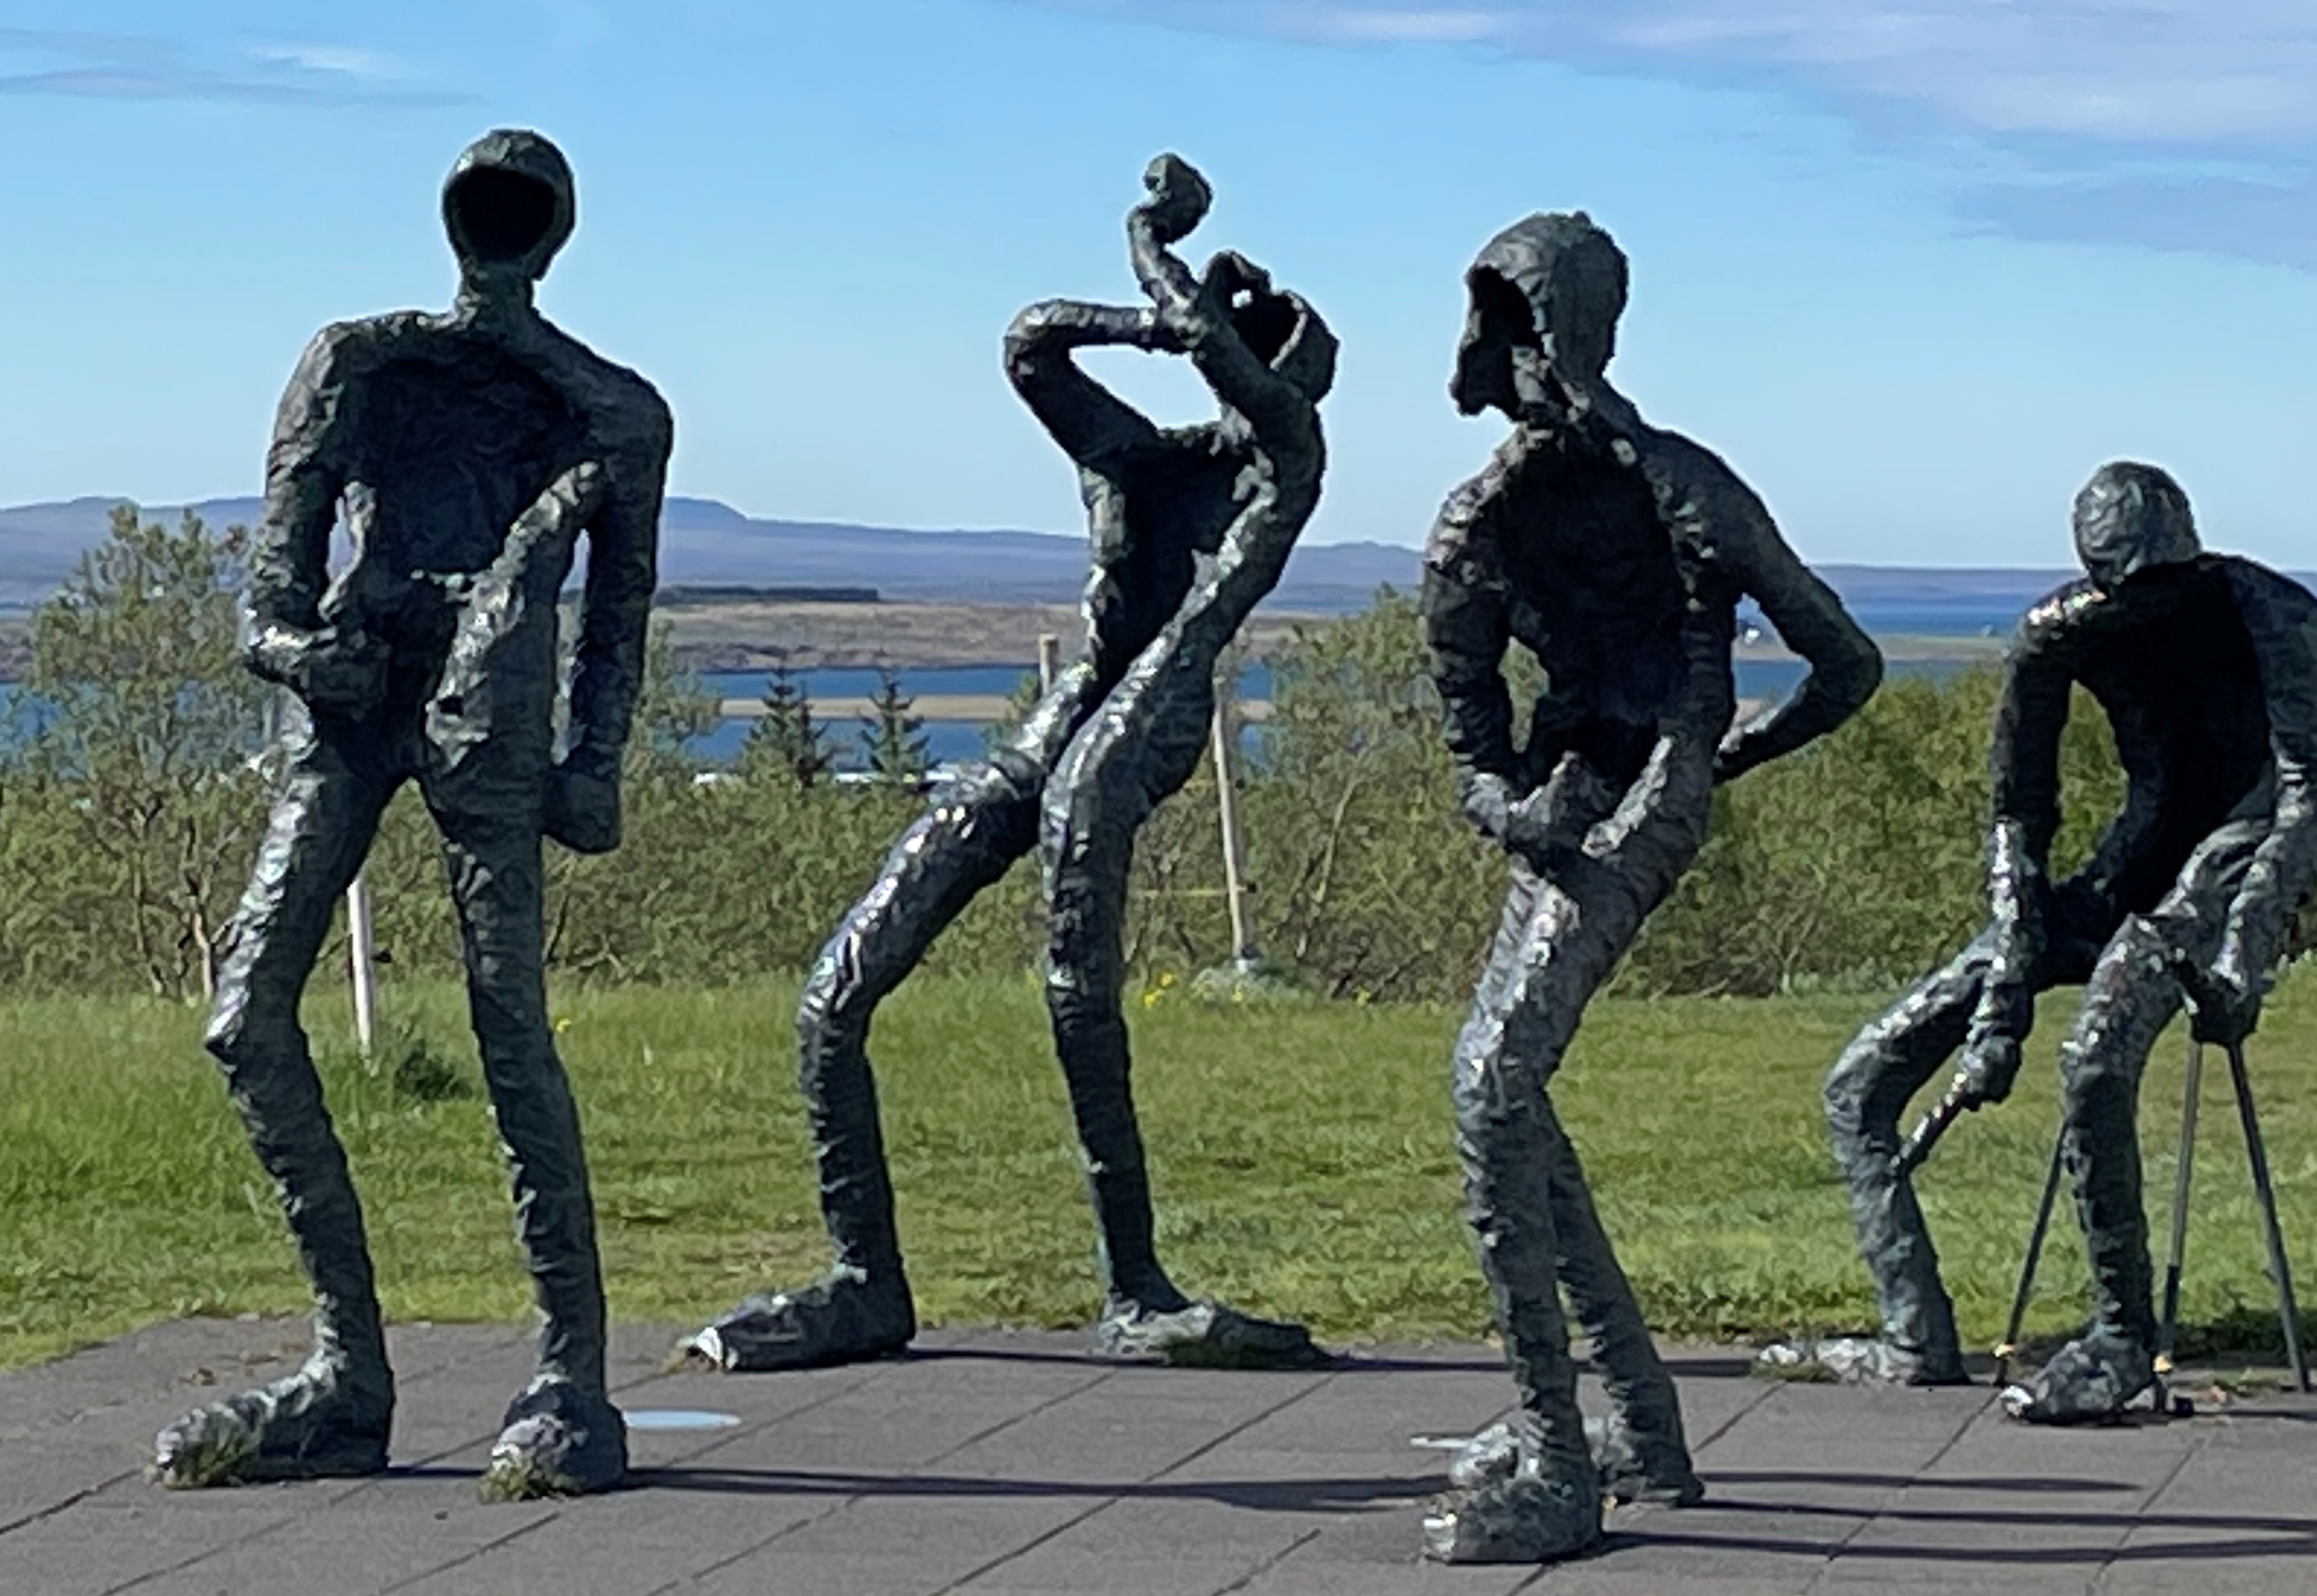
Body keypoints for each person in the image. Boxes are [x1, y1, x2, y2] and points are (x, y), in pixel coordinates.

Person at [690, 154, 1331, 1373]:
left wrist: (1152, 241)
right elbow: (1030, 343)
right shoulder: (1133, 459)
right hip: (1061, 729)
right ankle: (866, 1279)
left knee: (1074, 986)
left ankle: (1135, 1284)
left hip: (1142, 732)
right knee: (832, 995)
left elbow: (1231, 368)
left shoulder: (1284, 471)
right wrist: (1144, 310)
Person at [152, 129, 672, 1498]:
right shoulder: (358, 363)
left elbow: (618, 613)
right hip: (353, 694)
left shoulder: (612, 412)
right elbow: (269, 591)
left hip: (488, 705)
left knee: (509, 1031)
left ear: (546, 238)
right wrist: (297, 652)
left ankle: (569, 1375)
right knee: (244, 1016)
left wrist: (592, 764)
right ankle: (347, 1373)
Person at [1419, 211, 1882, 1562]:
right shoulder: (1476, 524)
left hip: (1648, 794)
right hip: (1566, 808)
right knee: (1503, 1086)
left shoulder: (1687, 491)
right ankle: (1635, 1427)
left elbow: (1842, 662)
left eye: (1528, 329)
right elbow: (1470, 739)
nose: (1515, 360)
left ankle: (1561, 1466)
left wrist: (1713, 758)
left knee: (1489, 1083)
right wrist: (1513, 808)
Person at [1810, 460, 2317, 1422]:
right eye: (2119, 584)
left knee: (2093, 1056)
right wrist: (2005, 987)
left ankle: (2120, 1337)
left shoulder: (2273, 613)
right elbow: (2017, 815)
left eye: (2160, 579)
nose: (2142, 603)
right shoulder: (2056, 633)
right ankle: (1913, 1333)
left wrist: (2242, 950)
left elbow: (2307, 803)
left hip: (2228, 867)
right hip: (2124, 874)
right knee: (1859, 1083)